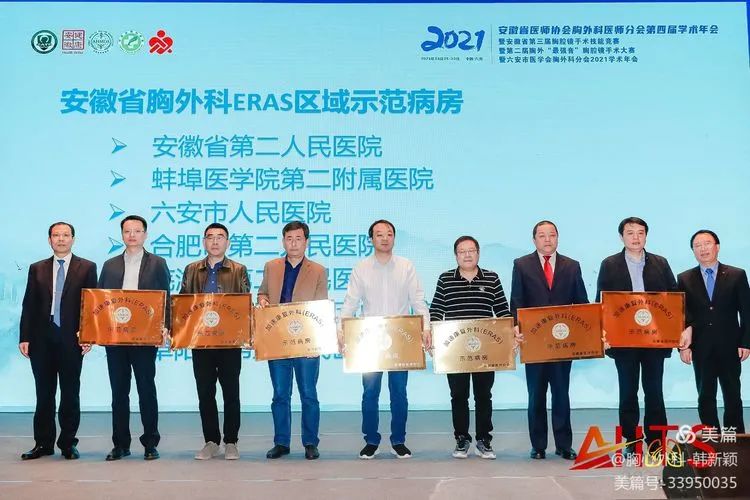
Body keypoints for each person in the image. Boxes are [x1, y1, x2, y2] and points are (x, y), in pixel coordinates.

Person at [340, 219, 431, 459]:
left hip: (400, 339)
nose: (385, 238)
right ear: (371, 239)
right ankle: (371, 440)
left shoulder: (406, 266)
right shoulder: (361, 268)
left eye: (389, 234)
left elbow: (418, 301)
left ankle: (398, 440)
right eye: (379, 234)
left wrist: (426, 327)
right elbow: (350, 303)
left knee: (399, 392)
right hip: (369, 341)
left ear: (394, 238)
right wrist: (342, 331)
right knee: (370, 393)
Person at [596, 217, 677, 456]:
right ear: (621, 236)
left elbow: (674, 298)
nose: (635, 237)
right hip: (623, 340)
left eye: (640, 233)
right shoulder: (609, 264)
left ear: (646, 236)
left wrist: (675, 331)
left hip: (654, 339)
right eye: (630, 232)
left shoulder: (660, 263)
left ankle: (656, 442)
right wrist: (602, 332)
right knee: (628, 392)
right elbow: (601, 301)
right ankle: (631, 440)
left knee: (654, 392)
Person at [19, 222, 97, 460]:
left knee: (70, 393)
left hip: (72, 339)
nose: (61, 239)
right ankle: (43, 444)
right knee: (44, 394)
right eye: (56, 235)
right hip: (41, 339)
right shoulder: (37, 268)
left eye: (65, 235)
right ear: (49, 240)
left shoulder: (87, 267)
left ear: (73, 239)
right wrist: (25, 337)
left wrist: (89, 335)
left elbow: (92, 305)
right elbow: (29, 303)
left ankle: (68, 443)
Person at [511, 220, 588, 460]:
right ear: (534, 239)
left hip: (563, 342)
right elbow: (517, 301)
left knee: (561, 394)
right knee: (536, 395)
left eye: (552, 235)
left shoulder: (572, 266)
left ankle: (564, 445)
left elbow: (582, 304)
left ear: (557, 238)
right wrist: (516, 329)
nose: (547, 239)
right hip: (534, 343)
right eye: (542, 235)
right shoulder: (521, 265)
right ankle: (538, 445)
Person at [429, 235, 511, 460]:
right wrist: (432, 335)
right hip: (455, 351)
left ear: (478, 253)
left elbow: (502, 310)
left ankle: (484, 440)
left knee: (484, 395)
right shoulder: (445, 279)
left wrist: (511, 333)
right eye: (462, 251)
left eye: (471, 250)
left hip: (485, 350)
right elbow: (436, 310)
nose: (467, 255)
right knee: (458, 395)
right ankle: (462, 438)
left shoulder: (492, 278)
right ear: (456, 255)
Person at [98, 215, 170, 461]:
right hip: (115, 338)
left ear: (145, 234)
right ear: (122, 235)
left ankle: (150, 443)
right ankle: (121, 444)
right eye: (127, 231)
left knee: (146, 389)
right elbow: (100, 301)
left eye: (137, 231)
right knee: (119, 392)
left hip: (145, 337)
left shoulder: (157, 263)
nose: (132, 235)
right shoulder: (110, 265)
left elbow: (166, 297)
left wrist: (165, 327)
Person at [258, 221, 328, 460]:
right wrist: (263, 300)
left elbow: (321, 308)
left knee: (308, 394)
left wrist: (317, 343)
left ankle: (310, 442)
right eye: (289, 239)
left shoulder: (318, 270)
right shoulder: (271, 266)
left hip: (306, 342)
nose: (294, 243)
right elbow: (263, 292)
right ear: (283, 241)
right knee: (280, 394)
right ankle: (281, 442)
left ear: (306, 242)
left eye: (298, 239)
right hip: (277, 340)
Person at [180, 223, 249, 460]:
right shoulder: (191, 270)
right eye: (210, 237)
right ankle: (211, 441)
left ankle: (231, 441)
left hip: (229, 342)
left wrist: (247, 333)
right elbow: (183, 305)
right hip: (201, 342)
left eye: (220, 237)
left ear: (227, 242)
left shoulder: (238, 270)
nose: (215, 241)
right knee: (205, 393)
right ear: (204, 242)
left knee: (231, 393)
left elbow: (244, 306)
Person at [677, 229, 750, 433]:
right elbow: (681, 315)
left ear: (717, 247)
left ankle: (735, 437)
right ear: (693, 251)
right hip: (701, 346)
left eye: (707, 243)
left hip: (730, 345)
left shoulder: (737, 275)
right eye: (697, 246)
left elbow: (746, 311)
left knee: (732, 394)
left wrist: (746, 342)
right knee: (705, 395)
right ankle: (712, 436)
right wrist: (683, 347)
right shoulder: (684, 278)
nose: (703, 249)